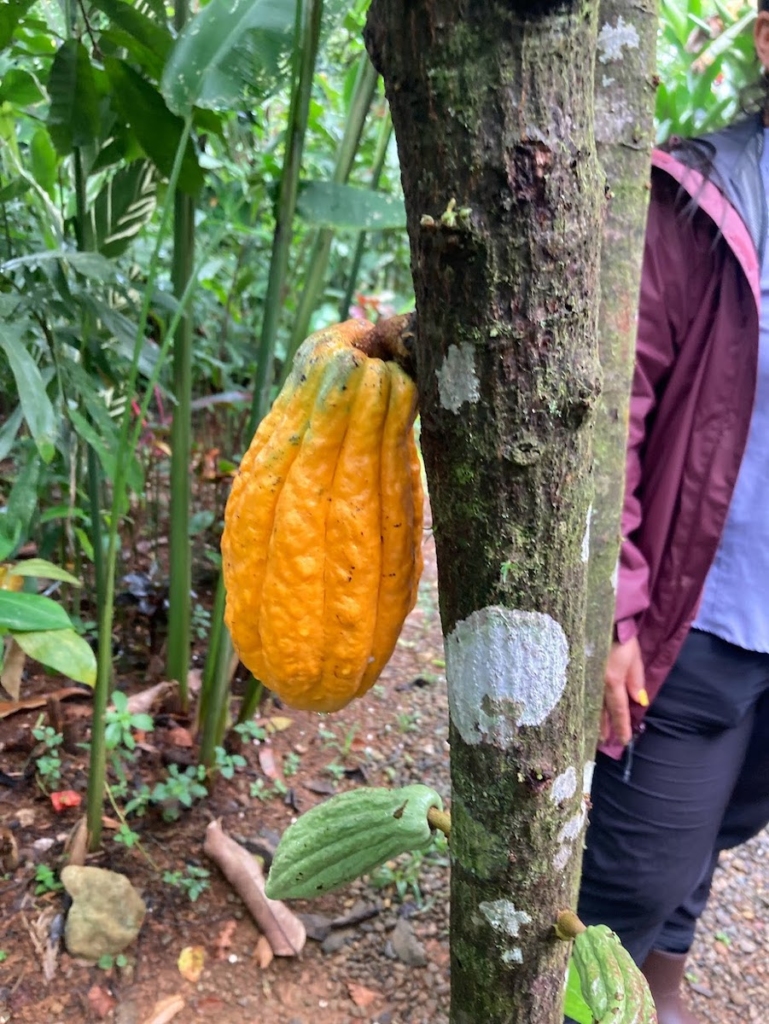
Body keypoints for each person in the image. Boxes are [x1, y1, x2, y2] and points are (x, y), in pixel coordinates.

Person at [576, 7, 769, 1024]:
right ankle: (583, 999)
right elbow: (617, 406)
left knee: (725, 819)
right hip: (695, 620)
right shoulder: (699, 204)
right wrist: (613, 606)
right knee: (637, 860)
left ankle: (661, 989)